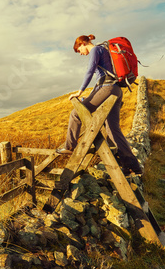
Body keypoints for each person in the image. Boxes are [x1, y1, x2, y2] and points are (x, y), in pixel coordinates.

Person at [56, 34, 142, 175]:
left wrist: (79, 92)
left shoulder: (95, 50)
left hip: (107, 89)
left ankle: (70, 146)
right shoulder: (104, 50)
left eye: (79, 50)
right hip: (115, 90)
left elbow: (90, 71)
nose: (81, 54)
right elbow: (102, 79)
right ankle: (132, 166)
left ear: (83, 43)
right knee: (113, 130)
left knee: (76, 114)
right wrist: (88, 98)